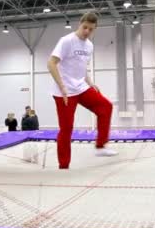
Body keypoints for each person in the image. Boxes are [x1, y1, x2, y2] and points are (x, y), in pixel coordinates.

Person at [47, 12, 116, 170]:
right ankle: (64, 166)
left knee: (106, 106)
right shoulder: (67, 41)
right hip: (64, 92)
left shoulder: (89, 46)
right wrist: (62, 87)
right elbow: (51, 63)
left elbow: (81, 67)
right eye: (85, 27)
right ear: (80, 24)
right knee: (66, 129)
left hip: (81, 88)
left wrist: (90, 83)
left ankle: (100, 146)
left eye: (91, 29)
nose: (87, 32)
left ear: (94, 30)